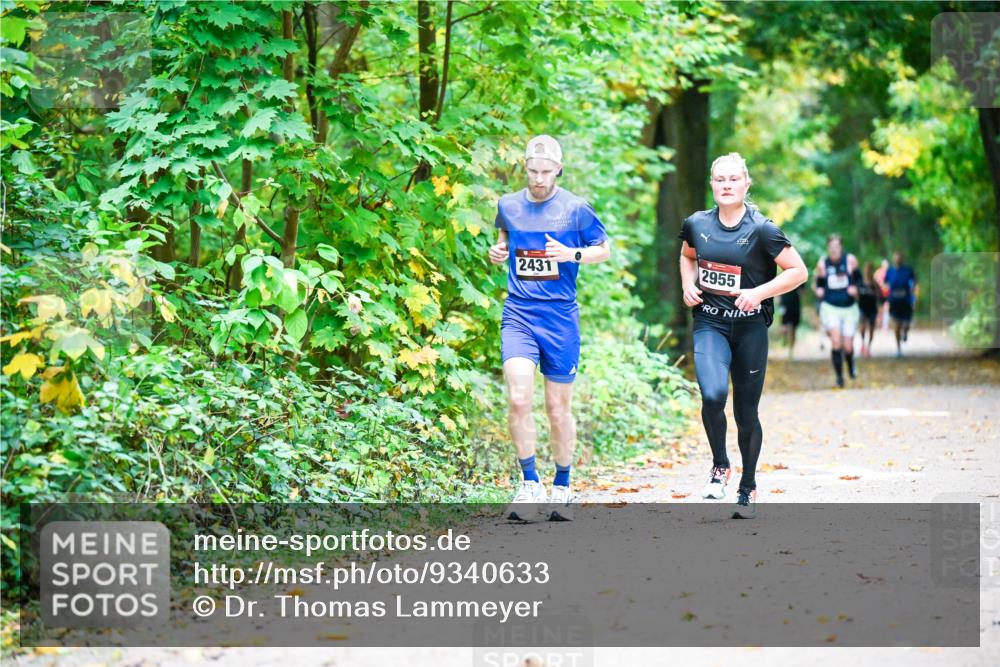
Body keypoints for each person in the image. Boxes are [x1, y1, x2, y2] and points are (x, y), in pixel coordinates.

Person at [679, 152, 808, 519]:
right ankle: (720, 465)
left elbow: (798, 272)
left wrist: (759, 293)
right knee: (713, 394)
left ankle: (747, 486)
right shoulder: (696, 224)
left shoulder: (762, 229)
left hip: (750, 328)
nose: (727, 185)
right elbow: (688, 255)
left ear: (746, 183)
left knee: (746, 413)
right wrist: (688, 284)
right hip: (710, 322)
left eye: (734, 179)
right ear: (712, 184)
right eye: (720, 179)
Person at [489, 135, 610, 522]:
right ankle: (529, 484)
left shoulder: (576, 209)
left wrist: (572, 254)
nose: (538, 179)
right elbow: (504, 242)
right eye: (532, 171)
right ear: (524, 167)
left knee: (558, 409)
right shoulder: (507, 205)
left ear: (558, 168)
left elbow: (603, 249)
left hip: (560, 317)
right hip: (519, 313)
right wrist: (497, 252)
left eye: (546, 171)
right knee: (519, 397)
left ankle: (562, 486)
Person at [813, 235, 860, 388]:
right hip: (830, 306)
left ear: (841, 247)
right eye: (831, 245)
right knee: (835, 341)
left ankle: (851, 364)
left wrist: (856, 288)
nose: (834, 248)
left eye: (837, 245)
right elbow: (819, 284)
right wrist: (819, 290)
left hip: (849, 307)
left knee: (848, 346)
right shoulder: (822, 264)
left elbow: (860, 281)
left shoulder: (850, 260)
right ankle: (839, 377)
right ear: (828, 247)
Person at [885, 250, 918, 357]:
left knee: (906, 323)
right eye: (896, 257)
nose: (897, 259)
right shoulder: (890, 271)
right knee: (896, 324)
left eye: (899, 257)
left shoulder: (908, 270)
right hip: (894, 300)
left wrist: (913, 297)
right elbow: (885, 284)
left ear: (902, 258)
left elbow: (914, 283)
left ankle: (905, 333)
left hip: (906, 300)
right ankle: (898, 348)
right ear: (893, 258)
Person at [857, 261, 881, 358]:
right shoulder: (860, 282)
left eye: (869, 269)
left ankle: (868, 347)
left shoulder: (874, 283)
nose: (867, 271)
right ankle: (863, 343)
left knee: (871, 329)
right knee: (862, 327)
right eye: (866, 269)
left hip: (872, 309)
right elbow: (856, 295)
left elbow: (879, 296)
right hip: (862, 308)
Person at [779, 285, 802, 359]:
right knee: (784, 328)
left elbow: (802, 292)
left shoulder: (799, 275)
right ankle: (784, 339)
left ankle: (791, 349)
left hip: (795, 305)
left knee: (794, 329)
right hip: (784, 304)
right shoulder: (783, 275)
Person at [874, 258, 890, 331]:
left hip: (887, 294)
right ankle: (878, 324)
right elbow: (874, 282)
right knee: (879, 310)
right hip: (879, 294)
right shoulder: (878, 272)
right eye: (884, 264)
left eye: (887, 264)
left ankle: (885, 326)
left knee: (886, 308)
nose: (886, 266)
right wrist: (881, 285)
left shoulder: (890, 273)